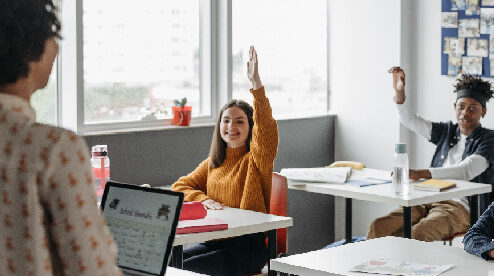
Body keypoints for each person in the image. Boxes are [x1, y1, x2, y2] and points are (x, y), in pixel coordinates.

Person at [0, 1, 121, 275]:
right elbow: (91, 267)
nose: (56, 48)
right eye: (53, 37)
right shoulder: (53, 148)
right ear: (32, 47)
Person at [171, 46, 278, 276]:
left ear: (251, 128)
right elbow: (180, 186)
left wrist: (256, 85)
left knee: (182, 271)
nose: (231, 127)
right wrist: (203, 199)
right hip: (214, 241)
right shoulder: (214, 162)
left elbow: (267, 132)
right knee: (166, 262)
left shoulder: (256, 160)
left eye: (240, 121)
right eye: (226, 121)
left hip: (247, 250)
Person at [367, 67, 494, 242]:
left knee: (418, 233)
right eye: (461, 107)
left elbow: (466, 171)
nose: (465, 112)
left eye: (473, 108)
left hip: (460, 208)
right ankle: (374, 268)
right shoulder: (447, 131)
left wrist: (422, 174)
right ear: (454, 107)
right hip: (427, 197)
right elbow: (410, 120)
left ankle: (403, 267)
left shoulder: (489, 139)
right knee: (379, 226)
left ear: (483, 111)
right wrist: (399, 92)